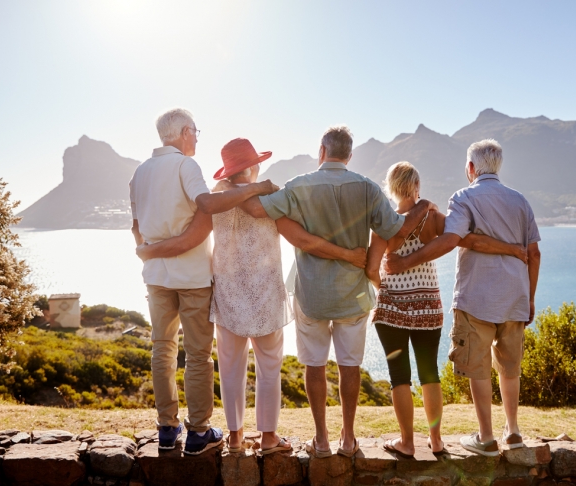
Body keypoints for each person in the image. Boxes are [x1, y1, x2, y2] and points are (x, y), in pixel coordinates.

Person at [136, 138, 366, 455]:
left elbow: (195, 236)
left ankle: (234, 437)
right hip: (267, 297)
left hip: (228, 296)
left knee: (230, 369)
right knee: (269, 369)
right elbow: (299, 235)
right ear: (255, 165)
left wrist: (149, 249)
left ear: (229, 170)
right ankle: (269, 438)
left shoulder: (215, 198)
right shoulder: (271, 197)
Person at [235, 125, 438, 458]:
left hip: (311, 294)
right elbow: (397, 229)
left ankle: (322, 440)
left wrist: (238, 185)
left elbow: (257, 210)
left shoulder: (298, 186)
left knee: (314, 366)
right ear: (349, 155)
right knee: (350, 366)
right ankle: (347, 438)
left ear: (321, 151)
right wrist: (424, 205)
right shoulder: (369, 188)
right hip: (354, 294)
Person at [129, 109, 279, 455]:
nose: (197, 137)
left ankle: (167, 428)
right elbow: (207, 208)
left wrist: (148, 252)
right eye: (195, 131)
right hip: (193, 276)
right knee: (197, 355)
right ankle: (198, 432)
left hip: (156, 278)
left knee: (161, 348)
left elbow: (136, 227)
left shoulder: (139, 173)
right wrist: (258, 187)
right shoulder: (185, 166)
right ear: (184, 132)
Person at [385, 140, 542, 457]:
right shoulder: (520, 201)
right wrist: (530, 298)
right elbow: (534, 252)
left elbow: (452, 240)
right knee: (510, 368)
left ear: (471, 168)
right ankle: (512, 431)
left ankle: (485, 437)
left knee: (478, 367)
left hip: (476, 298)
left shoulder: (463, 197)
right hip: (515, 298)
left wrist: (403, 263)